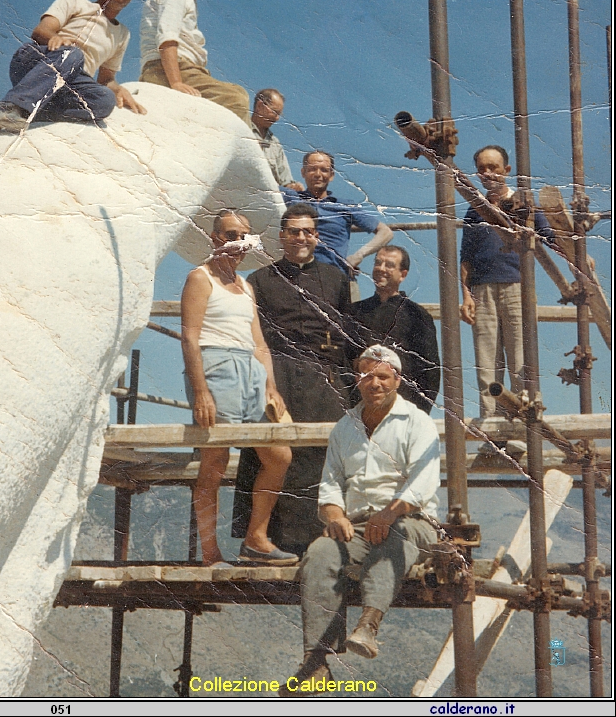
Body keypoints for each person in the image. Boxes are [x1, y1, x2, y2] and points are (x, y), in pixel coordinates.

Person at [279, 345, 440, 696]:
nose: (374, 383)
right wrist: (334, 516)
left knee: (393, 536)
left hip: (411, 522)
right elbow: (331, 484)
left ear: (397, 380)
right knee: (321, 551)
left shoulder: (417, 422)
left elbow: (423, 483)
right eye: (367, 376)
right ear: (357, 380)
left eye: (383, 376)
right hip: (359, 526)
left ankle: (369, 625)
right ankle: (316, 662)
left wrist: (391, 512)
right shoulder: (345, 427)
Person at [232, 202, 352, 557]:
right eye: (294, 231)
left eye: (307, 232)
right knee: (275, 456)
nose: (301, 237)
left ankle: (321, 542)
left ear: (316, 236)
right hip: (278, 378)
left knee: (321, 458)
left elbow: (346, 335)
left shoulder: (336, 279)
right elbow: (254, 337)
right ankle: (271, 541)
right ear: (282, 236)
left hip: (323, 382)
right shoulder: (260, 280)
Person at [181, 209, 296, 566]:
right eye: (231, 235)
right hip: (216, 368)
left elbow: (259, 343)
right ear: (215, 238)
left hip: (250, 371)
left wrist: (271, 386)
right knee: (215, 460)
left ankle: (256, 538)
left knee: (279, 454)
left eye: (244, 236)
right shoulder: (200, 278)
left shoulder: (246, 286)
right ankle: (210, 553)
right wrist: (200, 391)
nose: (238, 243)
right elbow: (190, 336)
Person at [0, 0, 148, 135]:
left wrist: (118, 88)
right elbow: (41, 30)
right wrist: (56, 38)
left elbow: (106, 79)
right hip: (39, 62)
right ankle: (8, 110)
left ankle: (34, 114)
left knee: (105, 101)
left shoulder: (122, 33)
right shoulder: (75, 0)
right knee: (72, 54)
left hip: (72, 84)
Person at [460, 145, 555, 417]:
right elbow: (465, 257)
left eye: (494, 167)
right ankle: (492, 429)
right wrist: (466, 296)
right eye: (482, 169)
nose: (488, 173)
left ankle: (521, 426)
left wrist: (580, 261)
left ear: (507, 171)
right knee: (486, 361)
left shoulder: (525, 203)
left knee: (520, 360)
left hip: (517, 288)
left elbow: (550, 236)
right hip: (481, 290)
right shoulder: (474, 210)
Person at [139, 0, 250, 125]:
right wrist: (176, 83)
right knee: (237, 99)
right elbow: (167, 38)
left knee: (238, 93)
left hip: (184, 69)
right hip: (166, 69)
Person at [348, 246, 440, 413]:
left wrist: (417, 413)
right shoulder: (355, 312)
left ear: (403, 274)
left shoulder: (418, 316)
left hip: (404, 411)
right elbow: (345, 362)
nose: (381, 269)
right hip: (361, 411)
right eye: (378, 263)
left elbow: (431, 373)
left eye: (389, 265)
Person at [281, 151, 393, 278]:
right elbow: (258, 183)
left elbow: (386, 232)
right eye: (312, 169)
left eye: (324, 170)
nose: (318, 174)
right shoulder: (291, 197)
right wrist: (286, 184)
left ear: (331, 175)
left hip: (336, 278)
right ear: (303, 173)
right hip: (297, 276)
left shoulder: (344, 206)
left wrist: (358, 255)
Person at [250, 88, 303, 190]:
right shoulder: (242, 130)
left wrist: (294, 187)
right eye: (275, 112)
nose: (277, 118)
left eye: (279, 114)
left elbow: (285, 180)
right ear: (260, 106)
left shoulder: (275, 143)